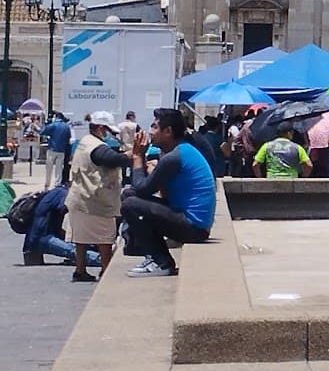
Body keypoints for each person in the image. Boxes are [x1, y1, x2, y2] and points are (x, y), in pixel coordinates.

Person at [121, 108, 217, 277]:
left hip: (193, 226)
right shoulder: (180, 151)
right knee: (129, 196)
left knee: (130, 204)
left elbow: (142, 189)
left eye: (155, 127)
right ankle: (153, 256)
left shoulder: (174, 157)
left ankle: (161, 262)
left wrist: (137, 157)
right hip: (191, 220)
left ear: (168, 131)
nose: (150, 132)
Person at [66, 111, 132, 282]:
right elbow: (112, 159)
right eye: (108, 131)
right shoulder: (97, 147)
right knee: (105, 238)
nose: (110, 135)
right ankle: (106, 270)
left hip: (79, 197)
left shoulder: (85, 141)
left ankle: (80, 270)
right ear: (101, 128)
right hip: (95, 201)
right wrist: (132, 154)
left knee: (81, 238)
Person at [21, 185, 98, 269]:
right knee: (74, 251)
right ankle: (104, 260)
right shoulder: (62, 194)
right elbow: (75, 215)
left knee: (77, 245)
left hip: (36, 237)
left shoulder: (55, 192)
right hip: (41, 238)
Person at [41, 113, 72, 188]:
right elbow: (68, 138)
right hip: (62, 150)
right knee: (59, 168)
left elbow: (43, 132)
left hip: (52, 149)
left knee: (49, 167)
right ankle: (57, 184)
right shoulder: (66, 126)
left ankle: (47, 183)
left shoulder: (53, 125)